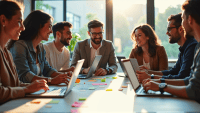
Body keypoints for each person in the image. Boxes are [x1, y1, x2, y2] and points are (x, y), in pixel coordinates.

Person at [142, 0, 200, 101]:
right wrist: (155, 79)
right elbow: (188, 80)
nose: (167, 33)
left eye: (183, 19)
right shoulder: (193, 47)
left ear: (189, 19)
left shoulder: (193, 47)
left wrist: (160, 85)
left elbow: (192, 89)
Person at [0, 0, 49, 104]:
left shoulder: (6, 52)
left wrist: (35, 86)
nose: (23, 28)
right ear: (3, 20)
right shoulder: (17, 47)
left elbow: (16, 84)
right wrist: (27, 89)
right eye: (19, 21)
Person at [8, 10, 71, 85]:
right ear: (39, 26)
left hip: (36, 91)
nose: (51, 31)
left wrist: (63, 76)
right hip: (23, 92)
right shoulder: (20, 46)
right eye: (49, 26)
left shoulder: (40, 47)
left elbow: (47, 70)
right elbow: (24, 75)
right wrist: (51, 81)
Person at [136, 13, 197, 82]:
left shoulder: (192, 47)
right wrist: (148, 72)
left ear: (180, 29)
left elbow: (182, 77)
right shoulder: (184, 48)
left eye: (169, 29)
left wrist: (150, 77)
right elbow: (173, 72)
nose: (167, 33)